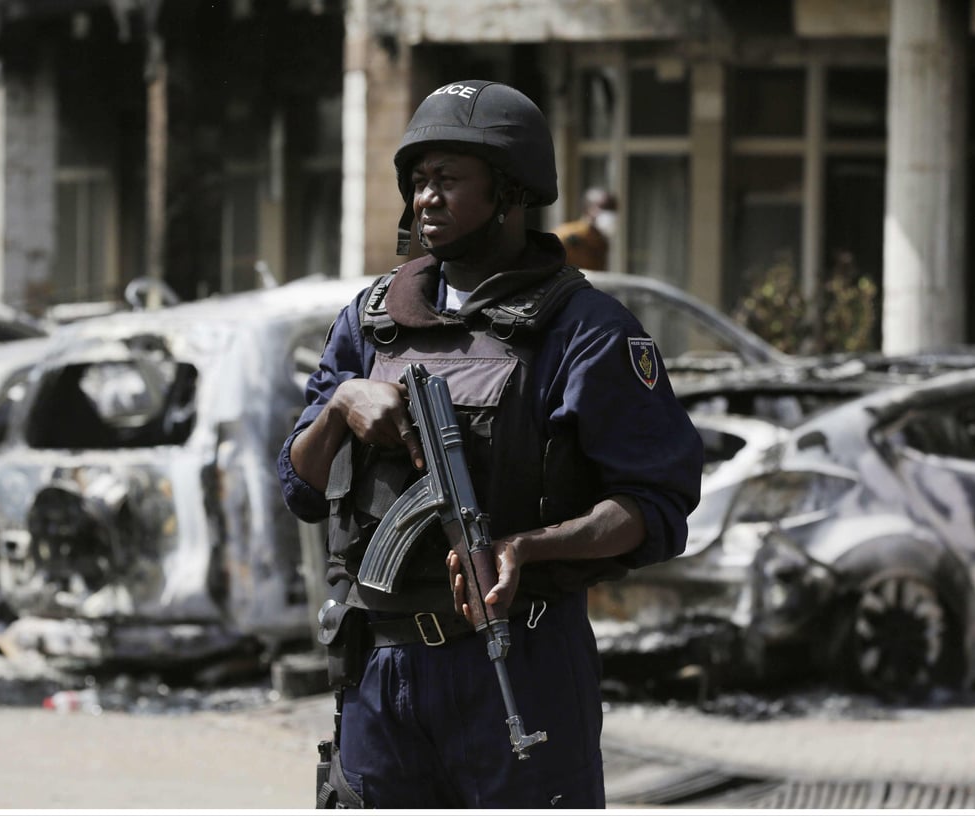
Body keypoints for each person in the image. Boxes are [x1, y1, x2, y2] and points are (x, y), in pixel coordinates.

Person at [278, 79, 703, 809]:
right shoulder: (369, 323)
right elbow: (300, 487)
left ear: (508, 192)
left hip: (520, 661)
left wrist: (525, 550)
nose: (425, 199)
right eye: (417, 181)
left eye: (448, 180)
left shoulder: (586, 331)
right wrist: (343, 404)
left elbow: (654, 507)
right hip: (379, 669)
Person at [553, 187, 618, 269]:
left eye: (613, 209)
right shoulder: (566, 234)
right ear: (588, 208)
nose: (609, 214)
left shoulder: (601, 241)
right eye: (604, 208)